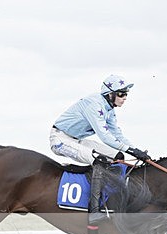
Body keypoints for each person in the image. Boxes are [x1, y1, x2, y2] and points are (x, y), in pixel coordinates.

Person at [50, 74, 151, 222]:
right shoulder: (95, 105)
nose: (125, 98)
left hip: (77, 140)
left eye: (126, 94)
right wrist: (130, 150)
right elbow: (104, 136)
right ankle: (94, 210)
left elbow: (117, 134)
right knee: (101, 159)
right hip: (59, 139)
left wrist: (137, 151)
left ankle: (111, 200)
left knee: (118, 156)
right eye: (121, 94)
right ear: (110, 94)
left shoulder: (109, 109)